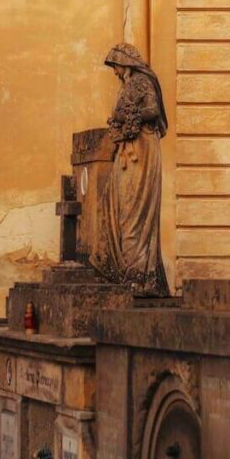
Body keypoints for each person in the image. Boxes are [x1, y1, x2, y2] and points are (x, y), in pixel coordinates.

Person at [92, 43, 169, 295]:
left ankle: (137, 274)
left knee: (134, 208)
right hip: (129, 149)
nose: (114, 72)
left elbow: (153, 110)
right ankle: (123, 268)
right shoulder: (127, 85)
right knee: (117, 203)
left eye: (114, 66)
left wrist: (126, 116)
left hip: (142, 149)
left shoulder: (141, 82)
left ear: (125, 63)